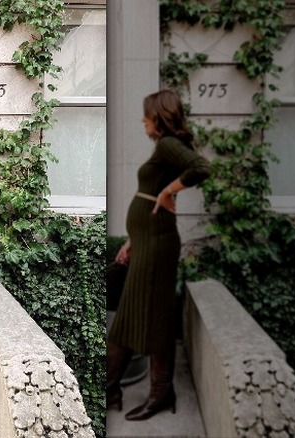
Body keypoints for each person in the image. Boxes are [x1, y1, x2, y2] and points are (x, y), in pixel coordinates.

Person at [107, 89, 211, 421]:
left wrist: (168, 191)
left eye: (146, 115)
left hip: (159, 244)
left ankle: (157, 392)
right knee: (131, 317)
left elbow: (201, 168)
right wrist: (133, 241)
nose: (142, 121)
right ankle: (116, 391)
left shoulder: (167, 144)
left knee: (150, 318)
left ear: (159, 117)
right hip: (149, 240)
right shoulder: (163, 148)